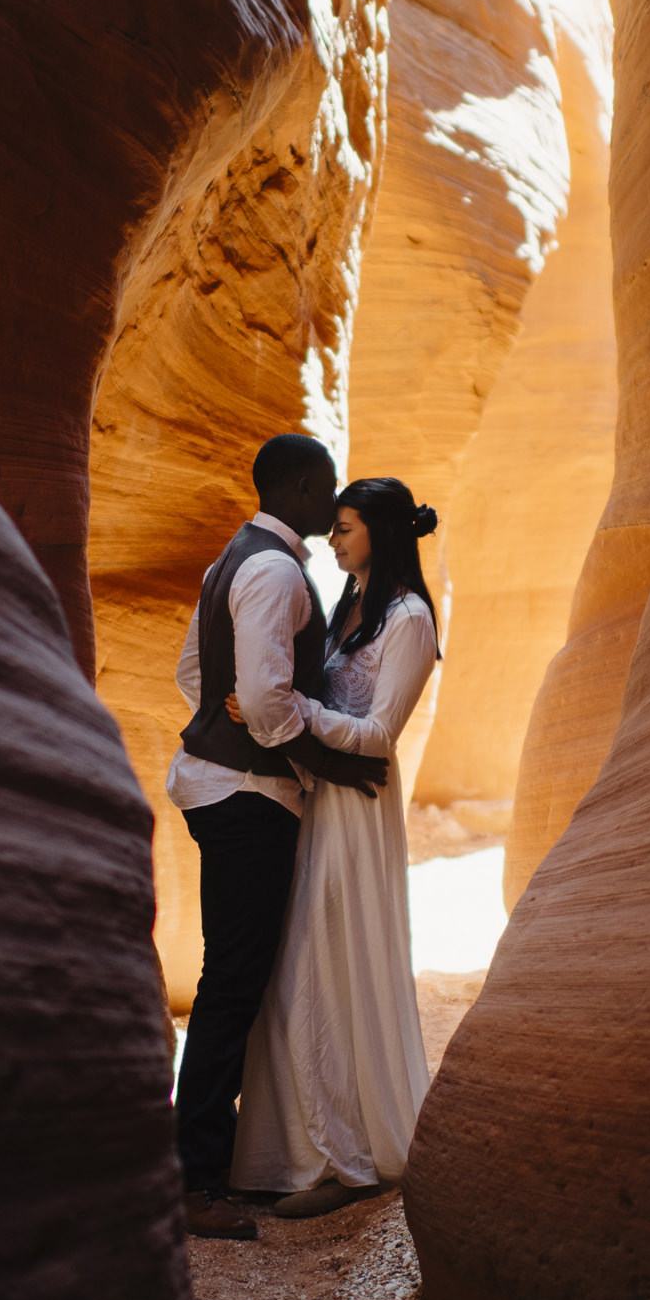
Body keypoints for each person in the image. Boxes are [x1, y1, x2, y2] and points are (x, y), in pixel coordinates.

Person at [169, 435, 389, 1242]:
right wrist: (323, 759)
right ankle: (194, 1181)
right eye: (326, 489)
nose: (332, 506)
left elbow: (195, 673)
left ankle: (206, 1160)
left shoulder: (234, 557)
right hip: (250, 797)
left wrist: (239, 720)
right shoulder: (275, 570)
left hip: (217, 785)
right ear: (301, 486)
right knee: (231, 985)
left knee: (229, 980)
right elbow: (263, 702)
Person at [226, 476, 440, 1218]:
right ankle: (296, 1145)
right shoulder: (350, 604)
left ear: (380, 530)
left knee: (333, 961)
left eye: (346, 527)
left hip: (357, 807)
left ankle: (345, 1158)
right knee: (298, 966)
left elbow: (380, 734)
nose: (332, 538)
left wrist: (295, 710)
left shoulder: (410, 618)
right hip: (319, 798)